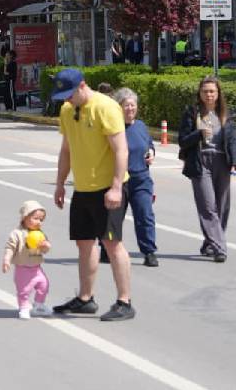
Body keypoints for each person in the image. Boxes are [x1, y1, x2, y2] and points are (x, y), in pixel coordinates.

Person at [49, 68, 135, 322]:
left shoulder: (106, 107)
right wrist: (60, 183)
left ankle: (124, 301)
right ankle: (86, 298)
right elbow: (66, 150)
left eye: (69, 94)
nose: (66, 100)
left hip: (108, 188)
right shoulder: (67, 110)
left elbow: (121, 151)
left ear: (82, 86)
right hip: (83, 188)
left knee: (112, 243)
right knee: (83, 243)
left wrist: (116, 187)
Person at [178, 76, 236, 263]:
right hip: (200, 161)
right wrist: (198, 134)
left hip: (222, 161)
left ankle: (210, 242)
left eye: (212, 91)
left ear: (218, 93)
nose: (209, 95)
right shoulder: (192, 113)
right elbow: (182, 140)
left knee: (222, 206)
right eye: (205, 91)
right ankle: (220, 247)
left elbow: (232, 141)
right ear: (200, 93)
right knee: (208, 206)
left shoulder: (224, 114)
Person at [115, 87, 159, 267]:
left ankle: (149, 252)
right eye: (126, 106)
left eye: (133, 105)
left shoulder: (140, 126)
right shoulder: (113, 128)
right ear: (118, 107)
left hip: (141, 178)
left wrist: (151, 152)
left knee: (145, 215)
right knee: (114, 217)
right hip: (119, 179)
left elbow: (148, 144)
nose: (130, 109)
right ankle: (106, 248)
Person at [3, 200, 53, 319]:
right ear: (25, 217)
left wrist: (46, 246)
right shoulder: (17, 233)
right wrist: (7, 259)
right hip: (23, 269)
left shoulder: (40, 233)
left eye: (41, 220)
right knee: (24, 291)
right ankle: (24, 307)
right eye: (36, 218)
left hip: (37, 268)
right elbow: (10, 247)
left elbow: (45, 249)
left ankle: (38, 304)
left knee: (44, 285)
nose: (39, 222)